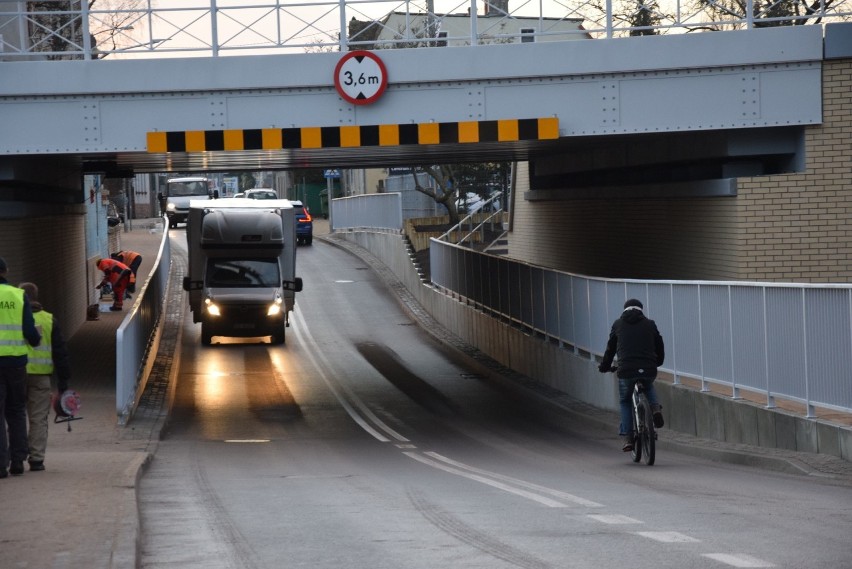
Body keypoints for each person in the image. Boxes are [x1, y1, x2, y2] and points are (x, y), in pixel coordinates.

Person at [598, 298, 665, 452]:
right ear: (641, 310)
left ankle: (628, 438)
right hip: (648, 368)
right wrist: (658, 362)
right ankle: (655, 409)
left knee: (625, 401)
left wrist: (605, 367)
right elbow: (659, 345)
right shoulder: (650, 324)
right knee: (648, 385)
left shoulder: (618, 324)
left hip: (626, 370)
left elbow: (611, 349)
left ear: (625, 310)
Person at [18, 282, 71, 472]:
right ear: (37, 296)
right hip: (41, 377)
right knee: (38, 418)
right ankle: (37, 459)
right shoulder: (49, 320)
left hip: (15, 373)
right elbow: (60, 352)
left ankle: (15, 456)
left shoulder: (13, 317)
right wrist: (63, 381)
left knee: (14, 416)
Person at [0, 257, 41, 478]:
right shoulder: (18, 295)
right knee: (16, 411)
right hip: (16, 362)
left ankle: (0, 464)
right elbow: (29, 330)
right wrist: (36, 339)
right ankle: (18, 461)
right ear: (5, 271)